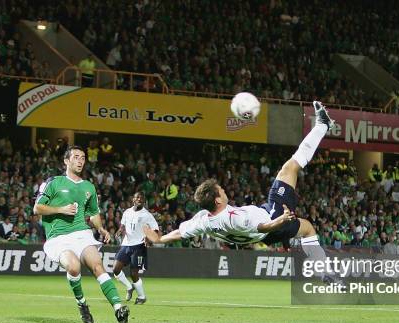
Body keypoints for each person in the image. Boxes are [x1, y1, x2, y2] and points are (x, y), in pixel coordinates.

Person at [144, 102, 336, 281]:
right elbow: (263, 226)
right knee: (291, 167)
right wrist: (281, 219)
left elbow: (179, 232)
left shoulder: (204, 221)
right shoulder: (235, 217)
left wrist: (160, 239)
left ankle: (323, 271)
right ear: (218, 200)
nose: (224, 190)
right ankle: (322, 125)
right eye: (221, 190)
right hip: (273, 216)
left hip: (264, 228)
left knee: (306, 227)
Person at [33, 145, 130, 323]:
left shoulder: (88, 187)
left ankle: (118, 307)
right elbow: (37, 208)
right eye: (76, 157)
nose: (80, 160)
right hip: (58, 237)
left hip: (82, 234)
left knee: (97, 265)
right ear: (66, 161)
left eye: (83, 157)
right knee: (74, 268)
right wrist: (61, 209)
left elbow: (93, 213)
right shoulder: (53, 182)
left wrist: (101, 229)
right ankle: (82, 304)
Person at [113, 192, 159, 303]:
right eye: (137, 197)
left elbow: (155, 229)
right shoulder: (127, 212)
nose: (139, 199)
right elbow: (123, 226)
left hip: (139, 245)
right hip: (126, 244)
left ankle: (142, 297)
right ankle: (129, 287)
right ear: (133, 199)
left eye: (142, 198)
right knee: (115, 269)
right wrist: (120, 231)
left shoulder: (147, 215)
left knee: (133, 273)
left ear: (144, 201)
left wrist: (148, 238)